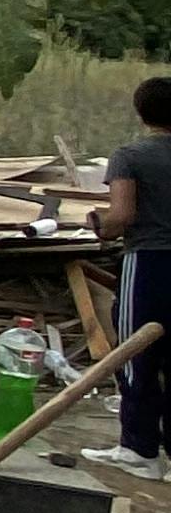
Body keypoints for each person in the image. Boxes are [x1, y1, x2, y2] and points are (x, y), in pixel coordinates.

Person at [88, 75, 171, 472]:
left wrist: (98, 224)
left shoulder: (130, 156)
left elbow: (121, 216)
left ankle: (139, 449)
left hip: (149, 261)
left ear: (141, 112)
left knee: (136, 354)